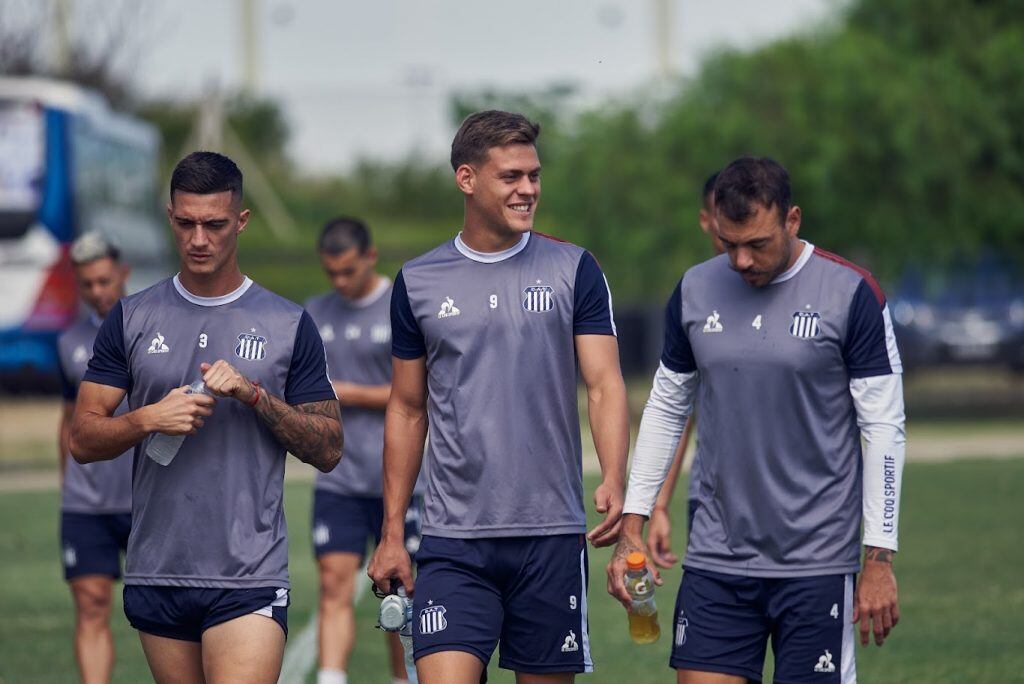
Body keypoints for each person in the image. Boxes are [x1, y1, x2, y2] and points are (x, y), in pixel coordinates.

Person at [610, 156, 905, 683]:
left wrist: (878, 556)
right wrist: (633, 522)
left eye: (757, 244)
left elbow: (883, 429)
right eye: (729, 244)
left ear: (792, 220)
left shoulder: (851, 293)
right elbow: (666, 408)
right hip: (716, 557)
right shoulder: (695, 290)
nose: (742, 261)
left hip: (817, 561)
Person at [368, 110, 630, 684]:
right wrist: (392, 532)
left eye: (534, 175)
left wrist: (613, 474)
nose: (528, 189)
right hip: (452, 538)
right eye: (511, 176)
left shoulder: (574, 268)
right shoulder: (417, 281)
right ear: (467, 179)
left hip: (550, 535)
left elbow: (605, 383)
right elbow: (408, 408)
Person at [69, 151, 342, 684]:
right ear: (171, 217)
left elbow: (329, 448)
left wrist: (255, 396)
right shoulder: (131, 317)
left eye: (215, 224)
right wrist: (147, 417)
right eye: (187, 223)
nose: (199, 239)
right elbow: (82, 437)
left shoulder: (288, 323)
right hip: (158, 568)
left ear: (240, 221)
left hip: (248, 573)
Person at [305, 217, 423, 684]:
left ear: (370, 257)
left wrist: (350, 392)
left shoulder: (403, 304)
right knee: (333, 584)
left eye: (348, 271)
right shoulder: (313, 313)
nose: (339, 281)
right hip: (339, 478)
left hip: (402, 481)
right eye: (330, 272)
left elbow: (420, 393)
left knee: (398, 594)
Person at [57, 232, 134, 683]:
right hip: (87, 504)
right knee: (90, 606)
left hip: (145, 499)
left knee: (165, 614)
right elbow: (68, 420)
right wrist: (67, 484)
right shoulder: (68, 343)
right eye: (88, 284)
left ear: (123, 274)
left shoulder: (152, 327)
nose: (98, 292)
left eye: (105, 281)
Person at [645, 171, 722, 569]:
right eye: (721, 214)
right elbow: (678, 409)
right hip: (711, 502)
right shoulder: (693, 295)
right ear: (707, 219)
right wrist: (659, 504)